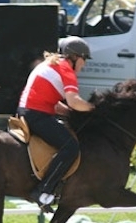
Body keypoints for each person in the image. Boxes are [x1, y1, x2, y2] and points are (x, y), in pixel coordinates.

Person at [17, 36, 95, 212]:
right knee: (71, 147)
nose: (84, 65)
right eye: (84, 59)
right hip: (37, 115)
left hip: (28, 112)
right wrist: (94, 109)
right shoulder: (66, 69)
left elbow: (54, 103)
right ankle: (44, 190)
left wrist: (69, 113)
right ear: (75, 57)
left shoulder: (49, 65)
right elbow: (74, 102)